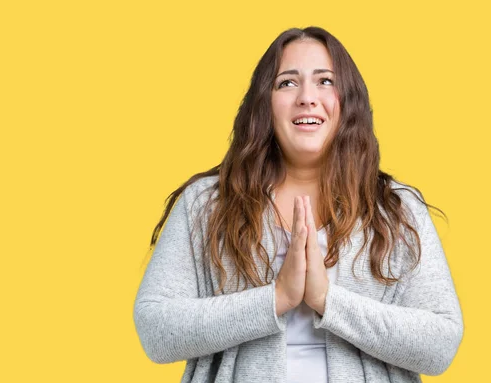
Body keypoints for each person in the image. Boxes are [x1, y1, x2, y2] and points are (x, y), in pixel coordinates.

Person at [133, 26, 463, 383]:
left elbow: (440, 343)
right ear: (264, 104)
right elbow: (156, 330)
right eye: (287, 83)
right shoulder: (206, 204)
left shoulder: (396, 210)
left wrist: (327, 300)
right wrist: (275, 298)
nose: (307, 97)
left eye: (325, 81)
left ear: (347, 100)